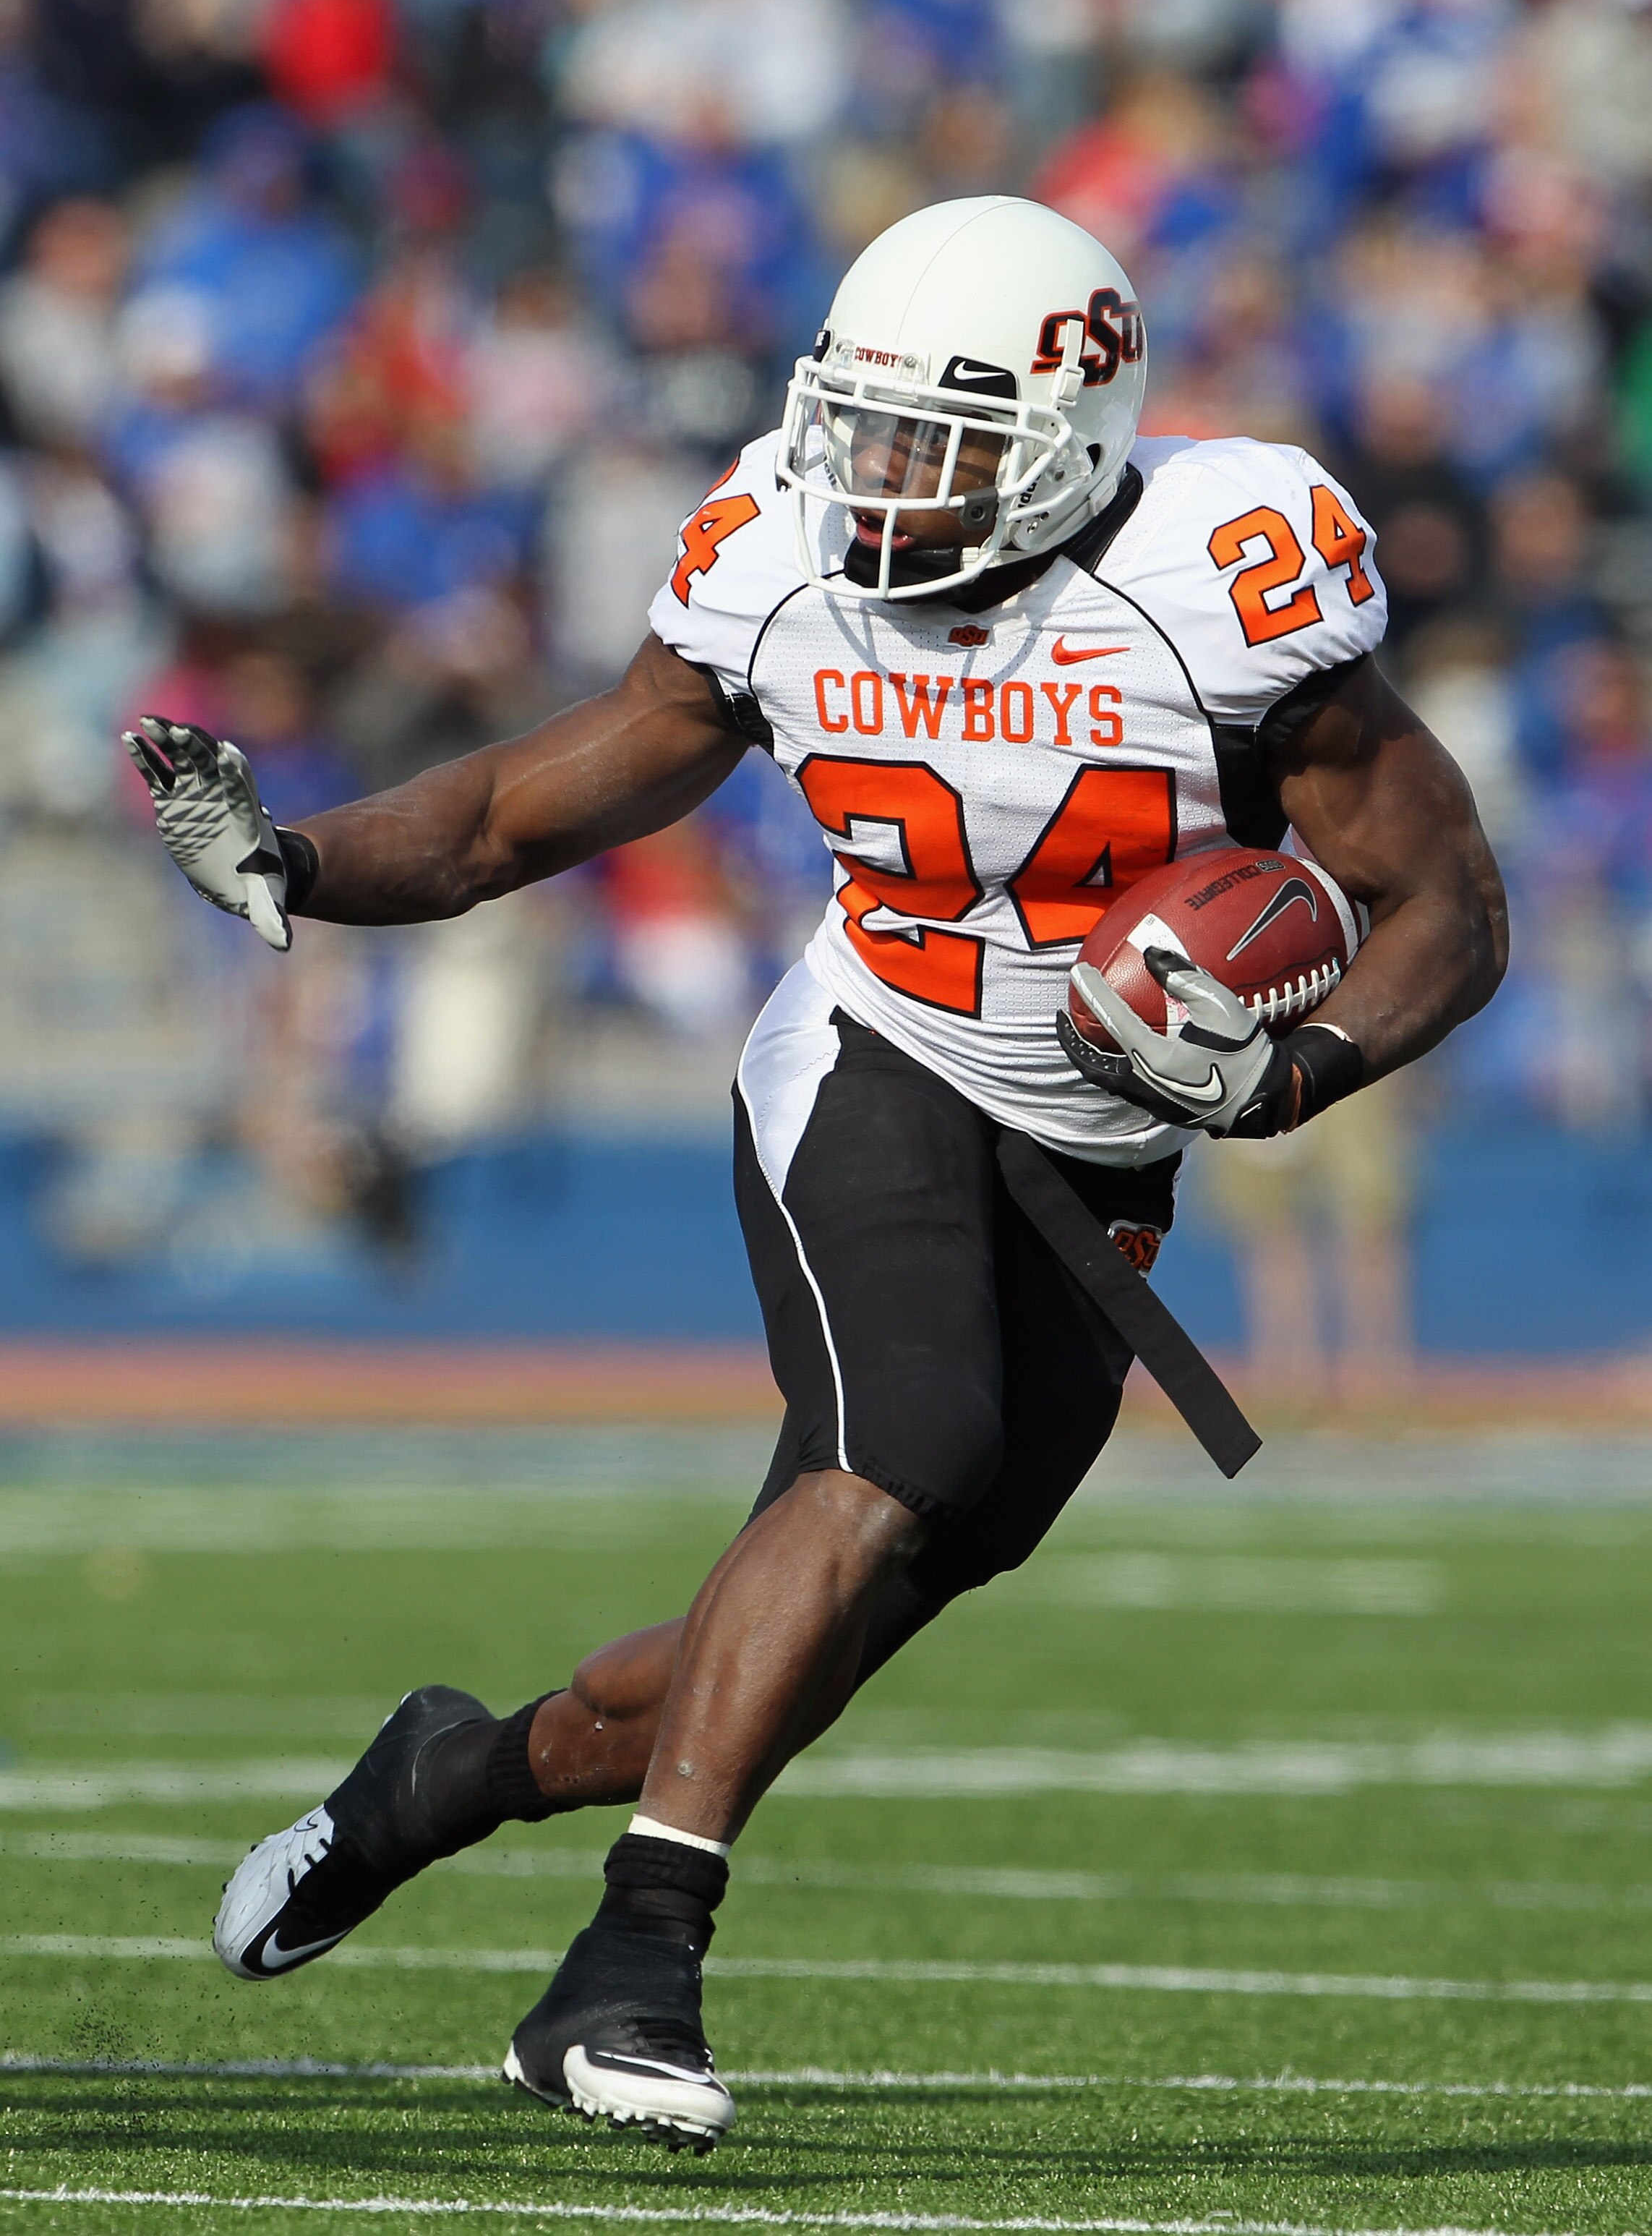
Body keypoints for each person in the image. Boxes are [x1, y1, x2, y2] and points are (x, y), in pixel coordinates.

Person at [124, 197, 1506, 2154]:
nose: (877, 480)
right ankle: (630, 1964)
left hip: (1099, 1147)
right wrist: (302, 863)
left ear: (1076, 437)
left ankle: (442, 1780)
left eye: (937, 444)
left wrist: (1299, 1072)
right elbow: (526, 805)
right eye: (863, 426)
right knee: (902, 1447)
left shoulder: (1224, 571)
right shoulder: (782, 554)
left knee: (814, 1629)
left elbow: (1446, 899)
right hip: (876, 1056)